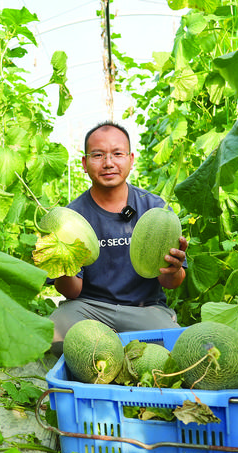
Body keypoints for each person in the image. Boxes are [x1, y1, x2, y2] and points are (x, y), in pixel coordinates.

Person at [49, 121, 188, 356]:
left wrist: (173, 271)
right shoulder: (71, 218)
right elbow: (72, 291)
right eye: (98, 155)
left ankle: (104, 350)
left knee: (178, 351)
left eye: (117, 154)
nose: (109, 163)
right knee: (52, 338)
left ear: (131, 160)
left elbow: (171, 283)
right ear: (84, 163)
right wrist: (62, 263)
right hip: (89, 309)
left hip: (145, 309)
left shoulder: (155, 209)